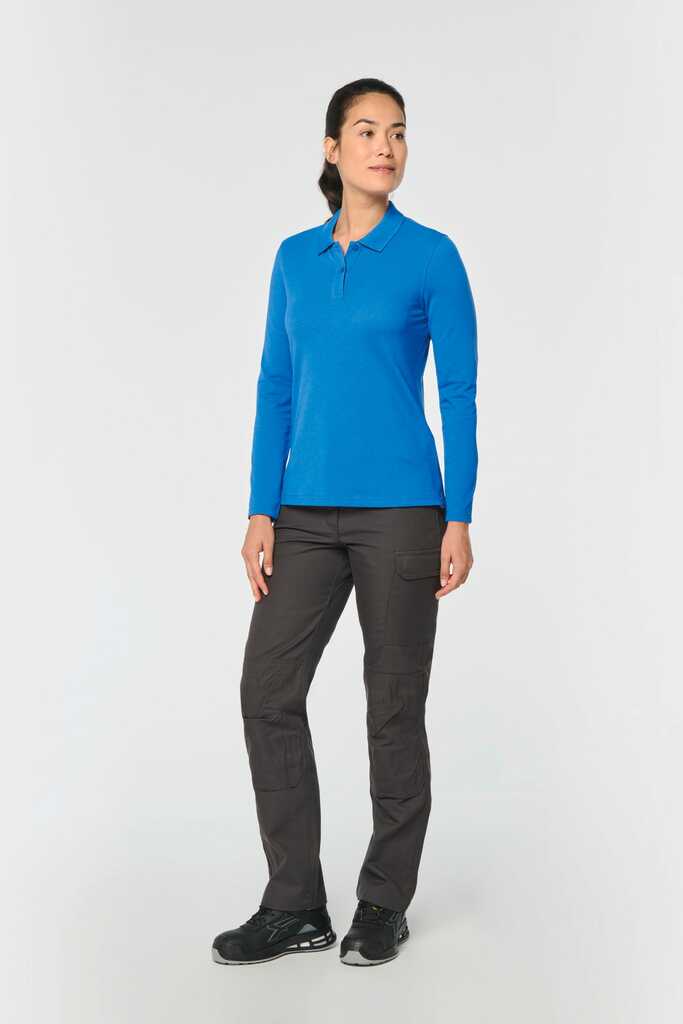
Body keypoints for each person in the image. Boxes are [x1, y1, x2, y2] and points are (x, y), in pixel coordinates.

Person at [212, 77, 478, 967]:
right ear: (331, 149)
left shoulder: (431, 256)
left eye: (397, 132)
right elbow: (275, 387)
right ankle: (295, 903)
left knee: (392, 708)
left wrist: (458, 514)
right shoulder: (294, 259)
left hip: (402, 514)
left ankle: (381, 903)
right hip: (302, 515)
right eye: (365, 131)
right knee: (267, 691)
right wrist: (261, 506)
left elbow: (459, 392)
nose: (384, 147)